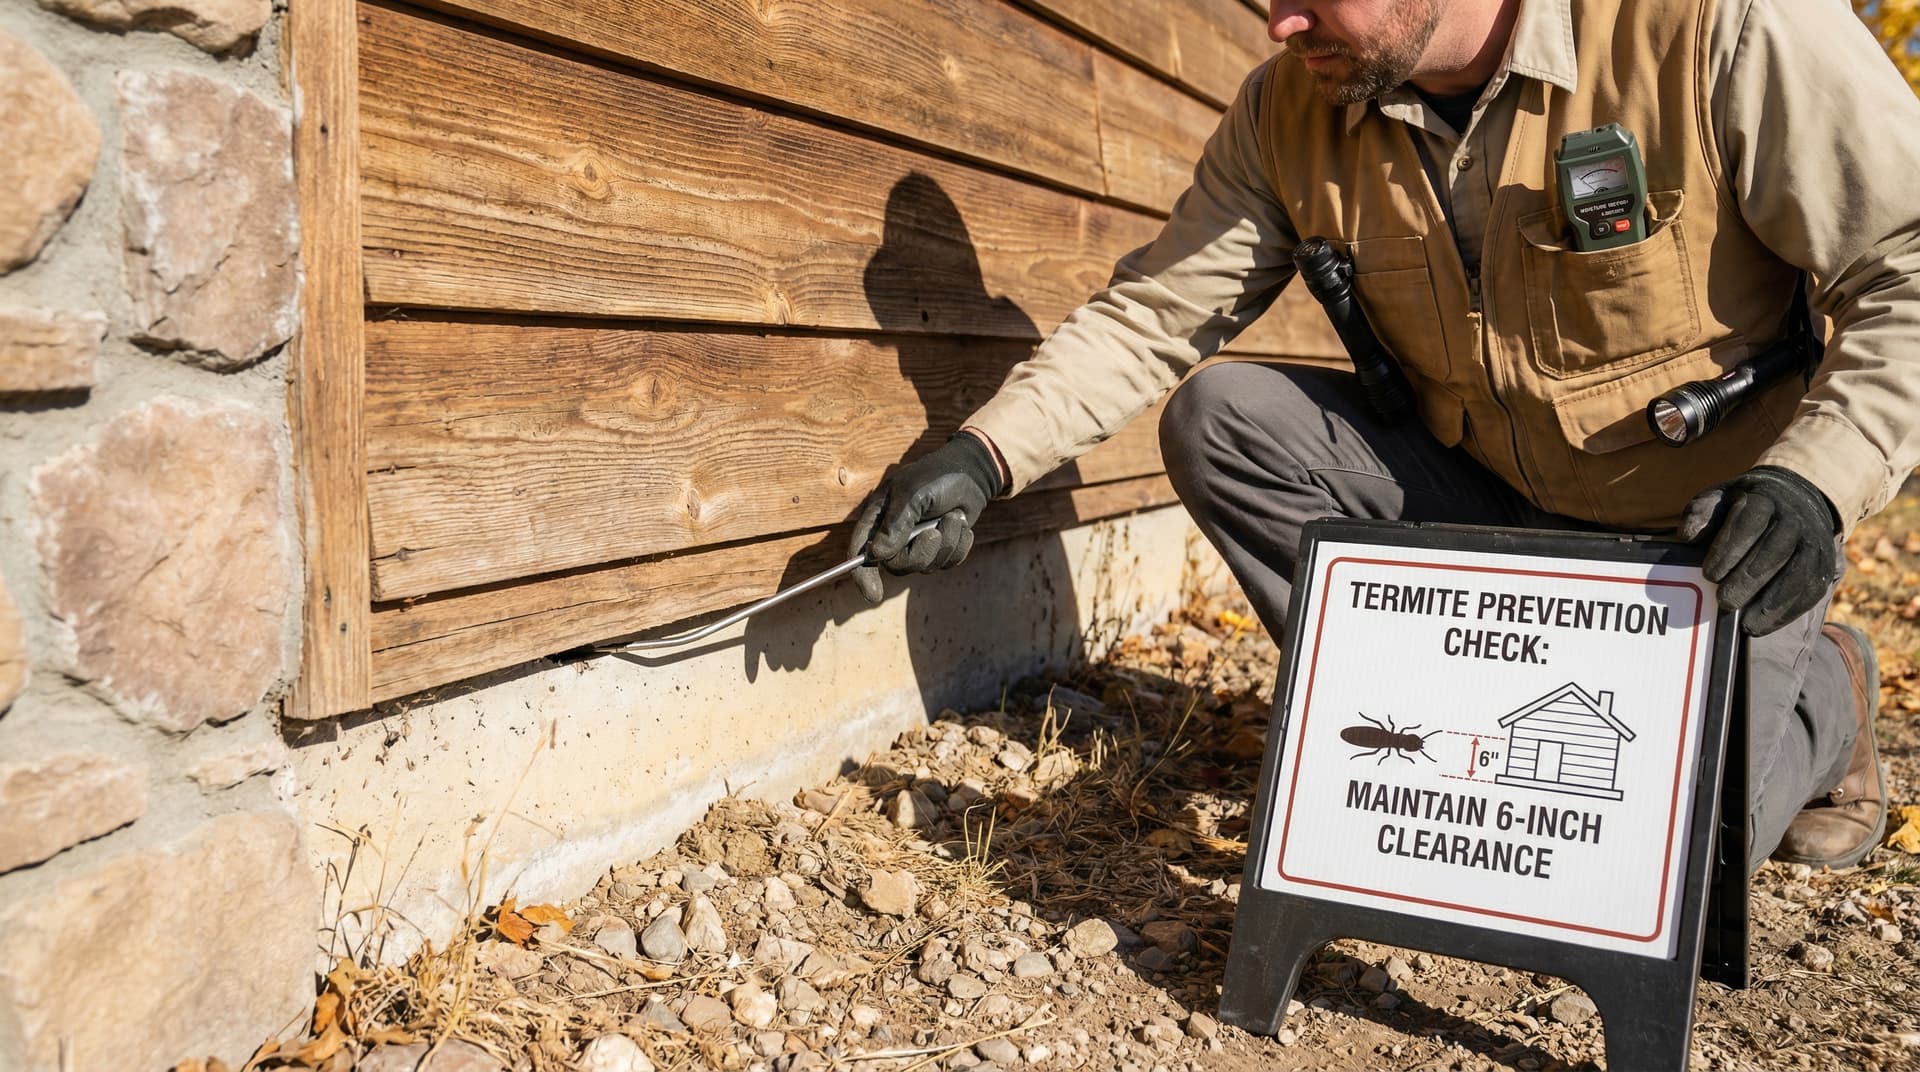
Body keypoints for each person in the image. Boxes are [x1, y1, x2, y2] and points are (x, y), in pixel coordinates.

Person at [847, 0, 1920, 874]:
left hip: (1707, 547)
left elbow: (1907, 269)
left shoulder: (1719, 27)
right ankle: (1438, 754)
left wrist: (1814, 484)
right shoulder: (1288, 109)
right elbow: (1154, 316)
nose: (1279, 22)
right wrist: (984, 456)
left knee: (1655, 859)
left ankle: (1829, 687)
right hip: (1485, 498)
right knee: (1227, 421)